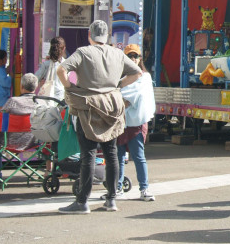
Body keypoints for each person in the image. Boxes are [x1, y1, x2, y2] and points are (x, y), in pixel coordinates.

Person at [57, 20, 142, 214]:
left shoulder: (83, 52)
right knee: (111, 153)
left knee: (88, 154)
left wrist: (70, 88)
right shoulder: (117, 53)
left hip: (88, 106)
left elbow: (61, 69)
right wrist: (118, 85)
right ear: (108, 36)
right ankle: (111, 200)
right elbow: (137, 73)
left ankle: (82, 202)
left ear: (90, 34)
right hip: (112, 106)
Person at [111, 45, 157, 201]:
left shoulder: (144, 77)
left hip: (135, 123)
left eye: (135, 56)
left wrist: (117, 101)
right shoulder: (118, 77)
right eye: (129, 56)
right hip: (119, 123)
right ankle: (117, 188)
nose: (133, 59)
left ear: (140, 58)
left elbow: (129, 98)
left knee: (138, 156)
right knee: (118, 157)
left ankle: (144, 188)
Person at [0, 73, 40, 151]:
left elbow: (0, 120)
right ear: (36, 87)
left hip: (10, 142)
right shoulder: (40, 102)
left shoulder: (13, 101)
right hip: (33, 142)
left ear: (21, 86)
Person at [35, 36, 67, 101]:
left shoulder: (46, 64)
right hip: (62, 99)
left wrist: (41, 83)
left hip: (48, 99)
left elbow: (35, 79)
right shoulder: (67, 64)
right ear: (64, 48)